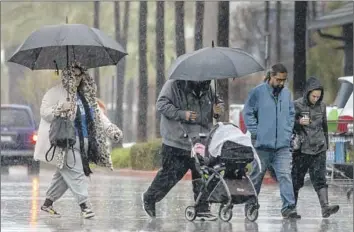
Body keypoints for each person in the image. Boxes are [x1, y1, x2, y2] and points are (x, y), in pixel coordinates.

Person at [34, 61, 123, 219]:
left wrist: (111, 129)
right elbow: (44, 112)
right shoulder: (55, 92)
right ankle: (85, 206)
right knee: (76, 173)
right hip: (65, 142)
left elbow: (98, 116)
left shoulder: (85, 96)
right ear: (67, 74)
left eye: (80, 74)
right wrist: (60, 108)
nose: (77, 77)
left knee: (64, 174)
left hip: (84, 143)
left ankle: (47, 204)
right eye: (73, 74)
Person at [141, 79, 224, 221]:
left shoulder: (208, 88)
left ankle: (202, 208)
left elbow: (214, 109)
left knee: (202, 173)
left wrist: (217, 111)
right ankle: (150, 197)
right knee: (171, 175)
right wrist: (181, 114)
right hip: (176, 139)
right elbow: (161, 105)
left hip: (199, 139)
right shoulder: (173, 85)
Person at [243, 63, 300, 219]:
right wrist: (257, 132)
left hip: (282, 146)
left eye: (284, 80)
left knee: (285, 175)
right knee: (256, 177)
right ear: (270, 77)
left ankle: (289, 208)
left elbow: (290, 114)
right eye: (279, 79)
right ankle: (251, 206)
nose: (281, 83)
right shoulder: (257, 93)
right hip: (261, 146)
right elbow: (247, 113)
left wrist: (287, 132)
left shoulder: (286, 94)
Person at [291, 76, 339, 218]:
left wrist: (327, 143)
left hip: (319, 148)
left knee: (320, 179)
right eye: (313, 96)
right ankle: (291, 208)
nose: (316, 99)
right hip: (302, 149)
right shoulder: (297, 105)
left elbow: (324, 126)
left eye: (318, 96)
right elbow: (289, 123)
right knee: (296, 179)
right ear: (307, 93)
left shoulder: (322, 106)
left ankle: (325, 207)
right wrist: (299, 122)